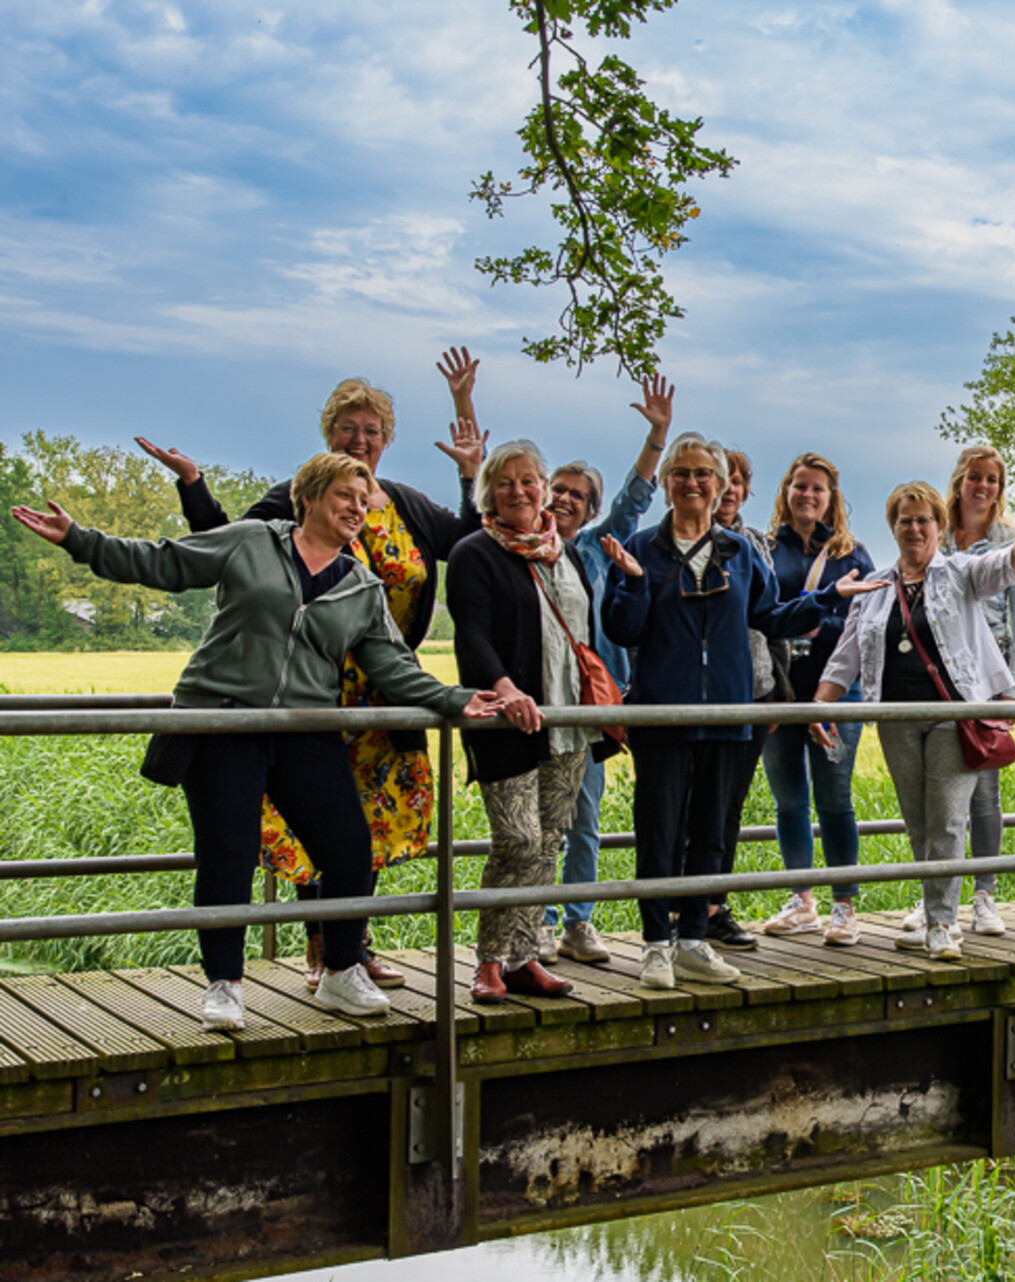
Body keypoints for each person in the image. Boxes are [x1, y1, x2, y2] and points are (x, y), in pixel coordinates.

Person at [14, 453, 500, 1030]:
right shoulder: (250, 543)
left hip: (304, 729)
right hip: (224, 722)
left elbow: (395, 668)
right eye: (344, 495)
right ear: (309, 498)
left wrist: (455, 699)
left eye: (362, 499)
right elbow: (162, 563)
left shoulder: (362, 587)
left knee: (350, 852)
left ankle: (342, 971)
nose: (356, 508)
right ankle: (224, 985)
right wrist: (80, 540)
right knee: (230, 854)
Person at [134, 357, 489, 991]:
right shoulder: (299, 495)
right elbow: (221, 543)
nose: (361, 439)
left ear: (387, 438)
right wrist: (193, 483)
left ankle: (352, 947)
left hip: (386, 684)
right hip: (311, 686)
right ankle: (320, 945)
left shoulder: (405, 503)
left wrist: (469, 465)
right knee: (293, 820)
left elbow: (467, 541)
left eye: (372, 429)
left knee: (364, 825)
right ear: (330, 435)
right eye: (349, 428)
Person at [602, 434, 859, 989]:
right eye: (681, 473)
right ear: (667, 481)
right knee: (658, 828)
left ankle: (694, 939)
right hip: (662, 716)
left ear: (720, 486)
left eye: (702, 474)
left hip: (728, 712)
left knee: (712, 832)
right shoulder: (642, 547)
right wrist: (632, 583)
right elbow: (622, 629)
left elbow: (771, 616)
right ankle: (654, 945)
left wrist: (830, 596)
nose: (692, 483)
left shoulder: (741, 553)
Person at [813, 477, 1015, 958]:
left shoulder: (960, 572)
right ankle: (935, 906)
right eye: (905, 519)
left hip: (954, 717)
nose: (914, 528)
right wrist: (820, 706)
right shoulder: (874, 587)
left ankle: (941, 924)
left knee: (949, 819)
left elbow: (1012, 561)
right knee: (919, 822)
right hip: (896, 718)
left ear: (939, 526)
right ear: (893, 527)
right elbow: (845, 655)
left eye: (924, 520)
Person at [448, 441, 621, 1005]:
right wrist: (504, 688)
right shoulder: (476, 552)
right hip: (509, 723)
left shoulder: (562, 552)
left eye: (529, 481)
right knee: (517, 840)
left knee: (548, 843)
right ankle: (490, 962)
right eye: (505, 482)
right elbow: (471, 634)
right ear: (487, 493)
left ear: (544, 488)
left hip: (567, 722)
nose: (518, 491)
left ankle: (523, 959)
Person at [539, 377, 674, 965]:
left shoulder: (597, 549)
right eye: (558, 491)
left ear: (591, 511)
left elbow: (635, 499)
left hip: (591, 708)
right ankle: (539, 921)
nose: (564, 500)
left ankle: (578, 921)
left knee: (585, 816)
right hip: (537, 704)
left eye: (577, 495)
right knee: (544, 820)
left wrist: (657, 436)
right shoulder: (515, 548)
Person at [897, 445, 1015, 938]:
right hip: (934, 677)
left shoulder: (1011, 539)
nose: (983, 486)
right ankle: (934, 896)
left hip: (986, 678)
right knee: (932, 803)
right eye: (975, 476)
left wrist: (1013, 691)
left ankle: (984, 895)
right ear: (959, 480)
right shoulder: (935, 531)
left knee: (983, 793)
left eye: (992, 479)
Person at [758, 453, 879, 945]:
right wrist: (798, 616)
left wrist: (817, 622)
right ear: (786, 491)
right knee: (788, 800)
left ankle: (844, 904)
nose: (808, 496)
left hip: (836, 692)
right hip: (779, 691)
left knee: (834, 798)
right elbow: (760, 612)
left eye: (819, 489)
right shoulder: (765, 549)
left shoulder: (852, 554)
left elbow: (866, 620)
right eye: (800, 486)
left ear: (833, 498)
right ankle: (801, 898)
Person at [701, 448, 791, 951]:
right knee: (687, 803)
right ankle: (676, 906)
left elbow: (771, 618)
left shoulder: (754, 543)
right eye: (723, 478)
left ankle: (714, 906)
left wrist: (777, 693)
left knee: (728, 805)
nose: (730, 488)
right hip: (687, 695)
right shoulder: (671, 541)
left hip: (750, 692)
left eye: (739, 480)